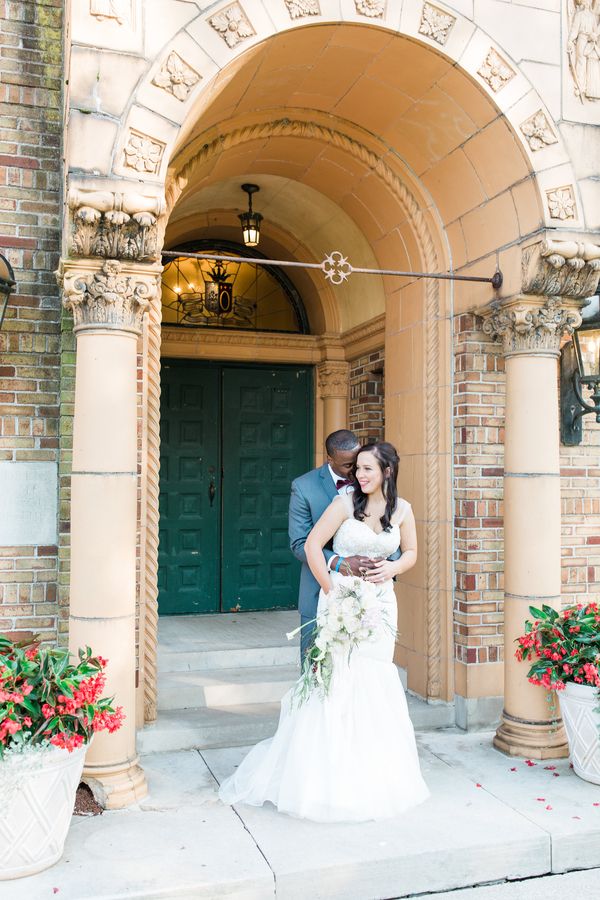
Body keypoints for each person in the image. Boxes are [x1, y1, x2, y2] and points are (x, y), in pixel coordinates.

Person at [218, 441, 430, 822]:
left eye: (367, 469)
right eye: (358, 468)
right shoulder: (346, 502)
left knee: (374, 678)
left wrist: (394, 570)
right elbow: (313, 545)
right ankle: (327, 776)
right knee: (336, 680)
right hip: (341, 601)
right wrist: (333, 590)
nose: (359, 475)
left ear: (388, 472)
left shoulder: (403, 510)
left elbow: (412, 552)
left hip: (381, 607)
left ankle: (372, 773)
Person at [288, 429, 397, 659]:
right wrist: (340, 563)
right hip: (321, 590)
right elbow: (300, 543)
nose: (356, 472)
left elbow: (391, 528)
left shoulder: (372, 482)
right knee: (318, 671)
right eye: (349, 466)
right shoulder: (304, 487)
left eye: (358, 463)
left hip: (374, 599)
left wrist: (388, 565)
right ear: (330, 460)